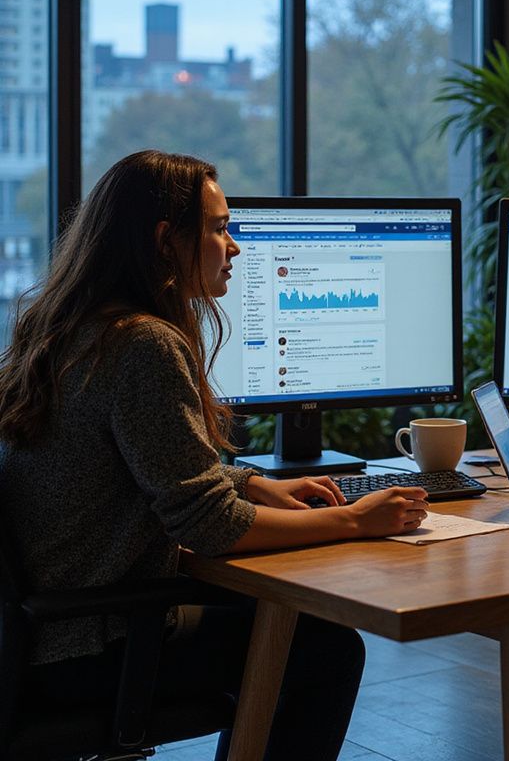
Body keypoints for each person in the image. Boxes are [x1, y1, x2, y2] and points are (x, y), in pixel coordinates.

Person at [0, 150, 429, 761]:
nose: (234, 246)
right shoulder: (142, 344)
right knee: (327, 646)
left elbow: (134, 458)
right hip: (92, 648)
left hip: (38, 638)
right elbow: (211, 526)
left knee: (284, 621)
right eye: (220, 227)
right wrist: (360, 519)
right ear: (165, 240)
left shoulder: (69, 328)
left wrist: (250, 484)